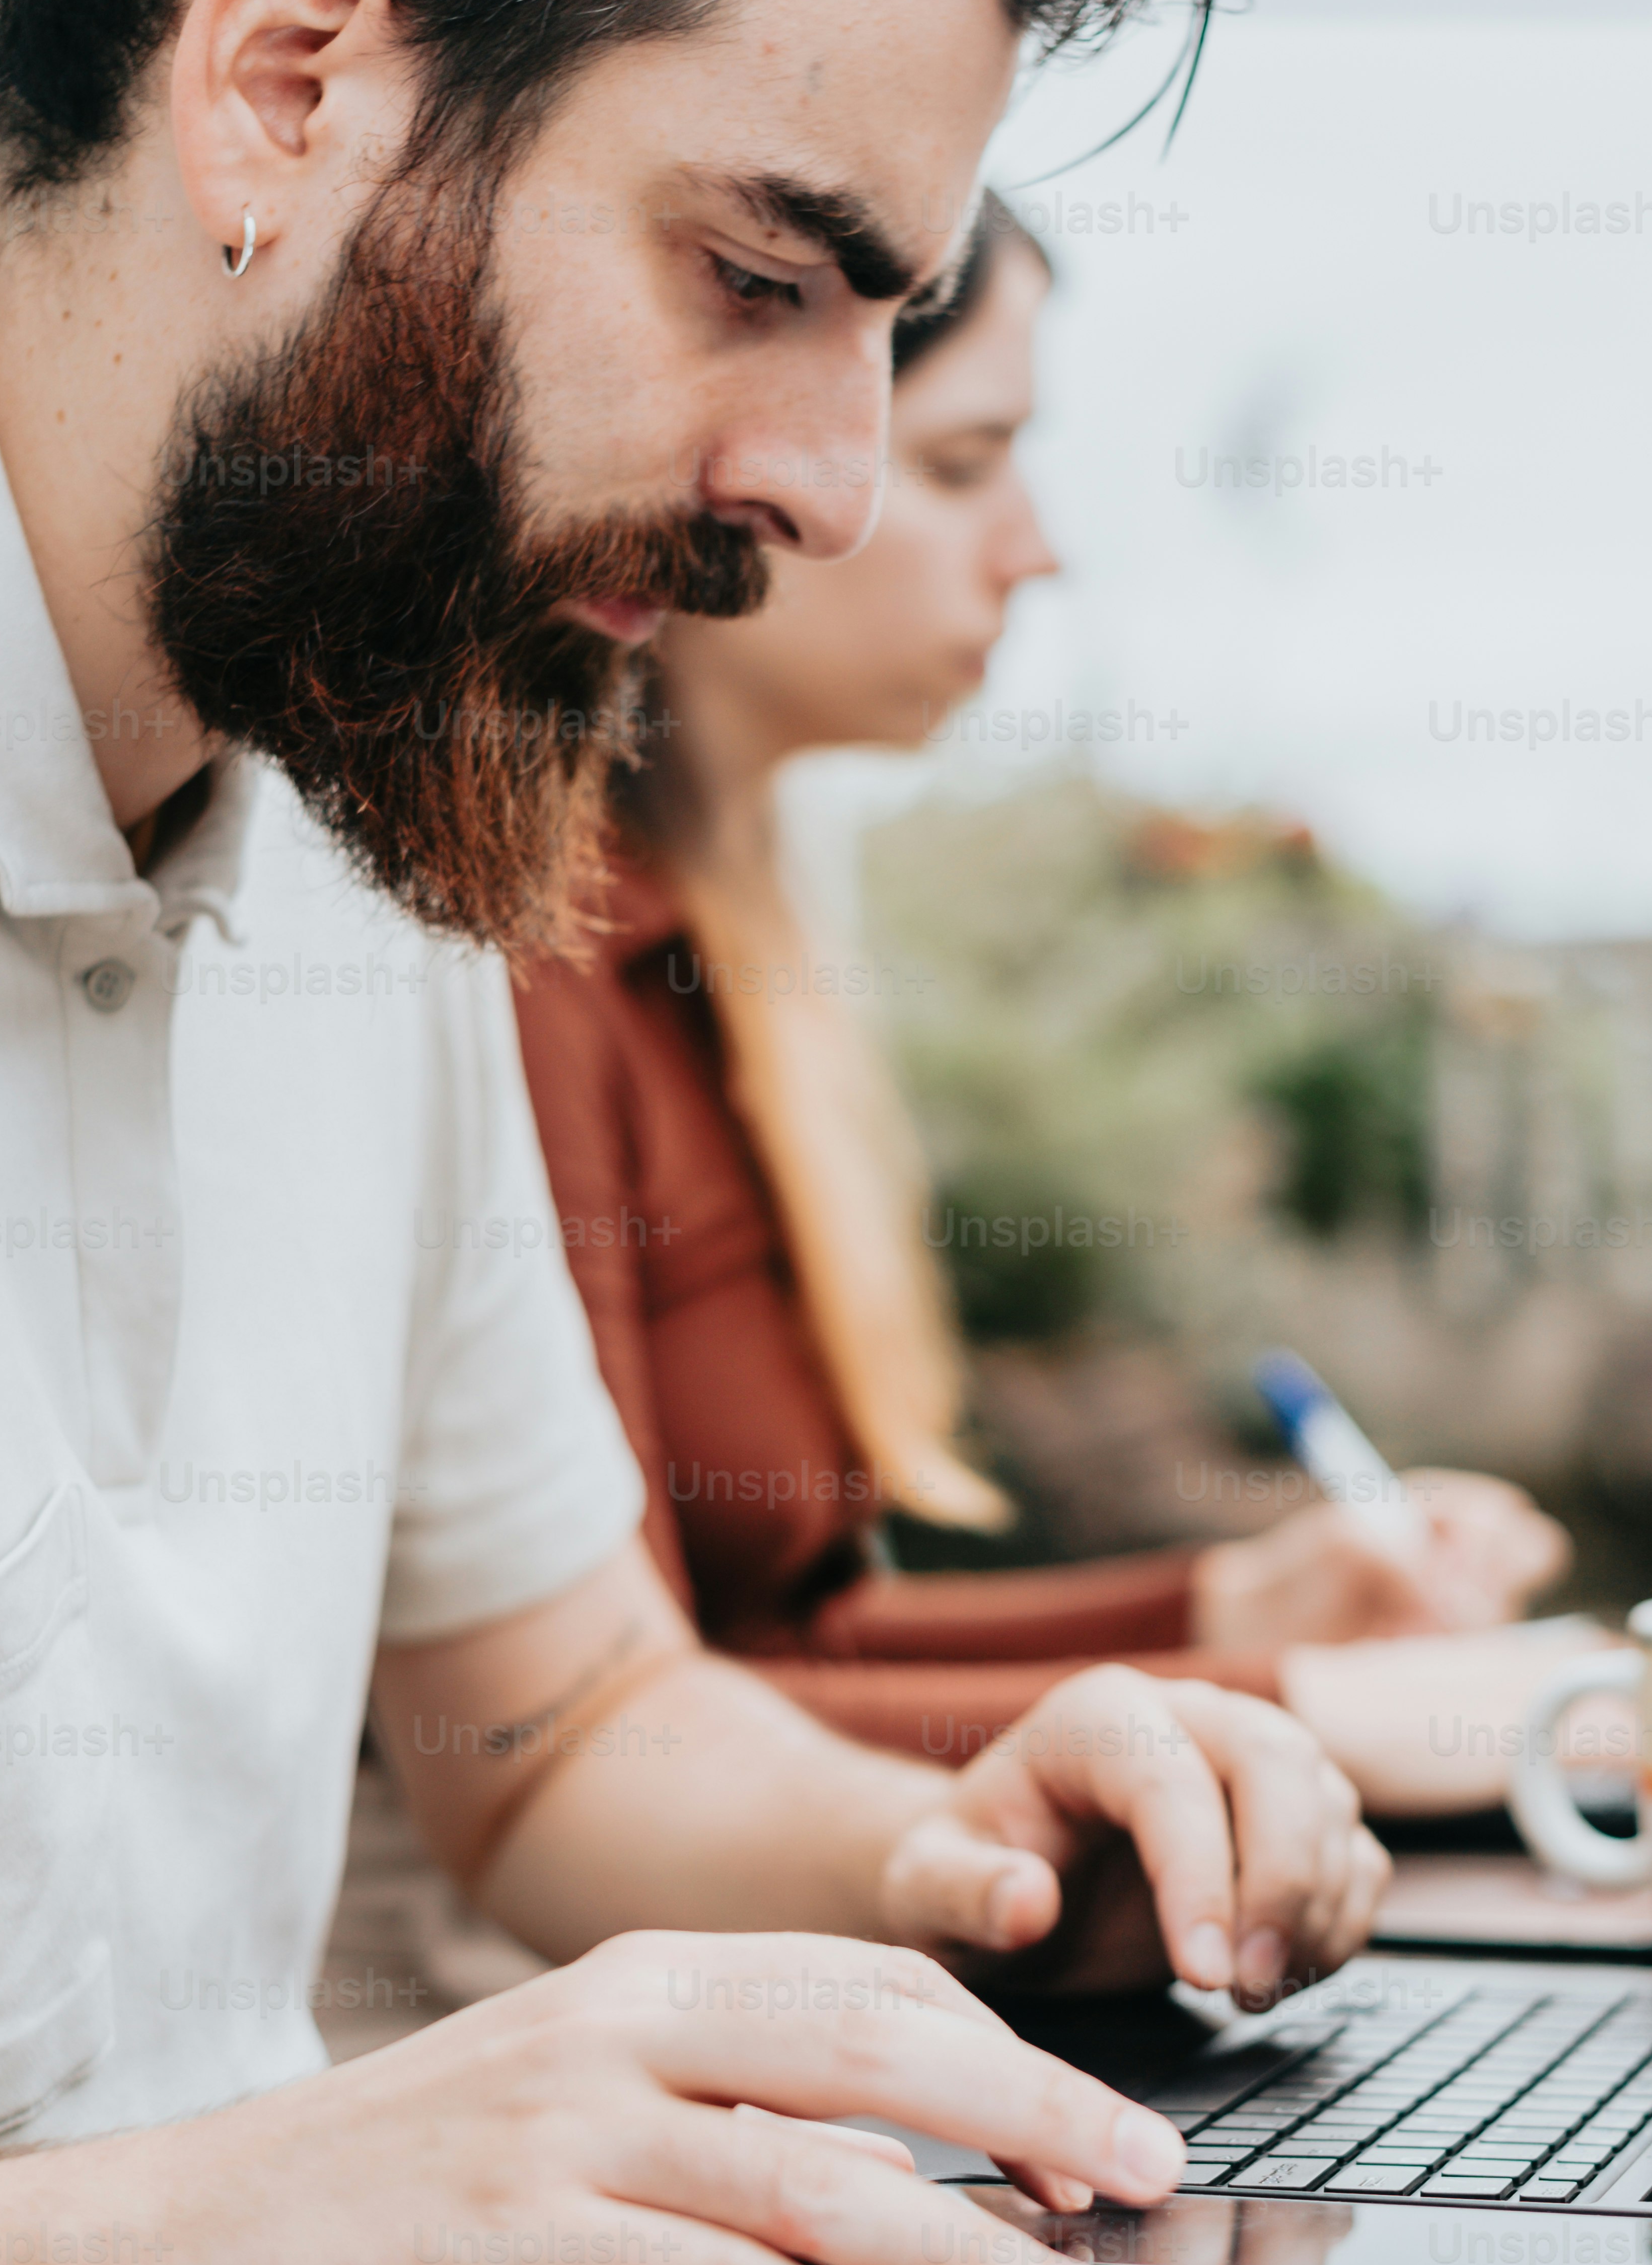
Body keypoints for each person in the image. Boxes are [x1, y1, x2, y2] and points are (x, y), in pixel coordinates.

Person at [0, 0, 1396, 2265]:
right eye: (760, 277)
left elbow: (552, 1732)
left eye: (888, 331)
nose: (818, 479)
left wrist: (972, 1861)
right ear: (291, 76)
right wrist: (221, 2223)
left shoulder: (379, 716)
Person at [513, 195, 1572, 1782]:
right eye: (962, 464)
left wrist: (1234, 1609)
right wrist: (1300, 1716)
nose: (1041, 546)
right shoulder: (534, 974)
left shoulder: (735, 957)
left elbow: (772, 1658)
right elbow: (618, 1744)